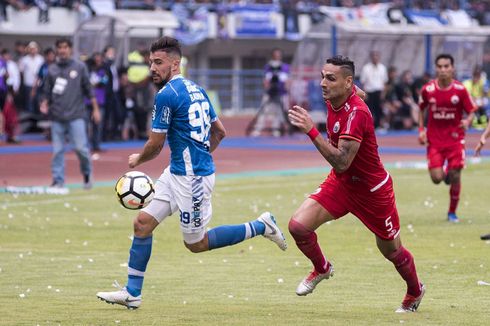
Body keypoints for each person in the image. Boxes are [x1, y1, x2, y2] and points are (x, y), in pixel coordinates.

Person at [96, 37, 287, 309]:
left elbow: (155, 143)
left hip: (192, 179)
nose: (152, 68)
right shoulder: (196, 89)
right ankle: (132, 292)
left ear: (175, 64)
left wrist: (139, 159)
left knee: (196, 243)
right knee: (142, 224)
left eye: (158, 62)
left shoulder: (166, 95)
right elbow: (220, 131)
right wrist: (199, 154)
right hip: (177, 172)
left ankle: (261, 226)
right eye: (151, 62)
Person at [287, 55, 424, 313]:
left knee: (391, 251)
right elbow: (360, 93)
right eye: (322, 76)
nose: (323, 83)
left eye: (330, 78)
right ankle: (322, 268)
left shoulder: (356, 115)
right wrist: (355, 90)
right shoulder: (339, 95)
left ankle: (415, 290)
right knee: (298, 226)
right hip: (342, 184)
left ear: (346, 82)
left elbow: (341, 162)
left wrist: (311, 130)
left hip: (372, 191)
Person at [418, 54, 476, 223]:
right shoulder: (428, 90)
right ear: (436, 69)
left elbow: (471, 110)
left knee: (456, 175)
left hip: (456, 139)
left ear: (452, 68)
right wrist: (421, 130)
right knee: (436, 178)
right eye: (440, 67)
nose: (443, 70)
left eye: (446, 66)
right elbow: (421, 109)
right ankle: (446, 173)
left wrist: (468, 121)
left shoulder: (460, 90)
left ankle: (452, 213)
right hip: (434, 140)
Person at [39, 38, 101, 189]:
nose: (62, 50)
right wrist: (44, 103)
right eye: (59, 47)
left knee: (81, 148)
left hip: (76, 115)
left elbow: (88, 89)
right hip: (57, 116)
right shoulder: (51, 69)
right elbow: (46, 91)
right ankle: (58, 181)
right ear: (56, 50)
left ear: (70, 49)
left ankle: (86, 173)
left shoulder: (80, 67)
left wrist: (95, 108)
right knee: (57, 150)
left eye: (65, 47)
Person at [249, 48, 290, 137]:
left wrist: (286, 90)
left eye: (279, 54)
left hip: (281, 92)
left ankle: (276, 130)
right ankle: (258, 129)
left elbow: (287, 80)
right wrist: (267, 88)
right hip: (269, 92)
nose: (277, 56)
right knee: (263, 111)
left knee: (278, 112)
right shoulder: (268, 67)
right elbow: (266, 80)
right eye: (275, 54)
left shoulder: (285, 67)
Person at [360, 51, 388, 129]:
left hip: (379, 92)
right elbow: (363, 82)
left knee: (379, 110)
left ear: (379, 57)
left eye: (377, 56)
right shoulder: (366, 68)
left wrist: (383, 94)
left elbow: (384, 82)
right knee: (369, 110)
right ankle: (369, 126)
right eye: (374, 56)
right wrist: (364, 93)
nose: (375, 58)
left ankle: (378, 126)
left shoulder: (383, 68)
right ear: (371, 57)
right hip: (369, 92)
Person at [463, 65, 489, 130]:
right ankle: (472, 122)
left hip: (480, 101)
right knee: (473, 104)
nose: (476, 78)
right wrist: (475, 101)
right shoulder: (467, 83)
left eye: (478, 76)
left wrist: (482, 100)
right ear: (472, 75)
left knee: (485, 102)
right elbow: (467, 97)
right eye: (475, 75)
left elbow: (485, 95)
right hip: (472, 101)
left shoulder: (483, 82)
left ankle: (484, 121)